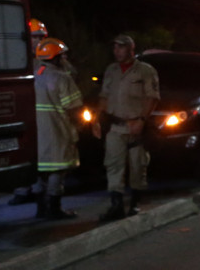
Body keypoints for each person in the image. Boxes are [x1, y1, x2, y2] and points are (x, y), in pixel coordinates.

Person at [92, 34, 159, 221]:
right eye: (115, 48)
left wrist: (142, 120)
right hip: (115, 125)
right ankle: (116, 206)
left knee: (137, 166)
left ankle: (135, 204)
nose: (117, 51)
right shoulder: (111, 70)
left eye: (120, 47)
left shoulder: (145, 71)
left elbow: (152, 97)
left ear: (131, 49)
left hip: (136, 125)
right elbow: (104, 96)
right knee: (113, 165)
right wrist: (96, 120)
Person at [33, 37, 84, 220]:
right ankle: (54, 209)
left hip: (36, 133)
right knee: (58, 169)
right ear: (56, 57)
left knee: (40, 172)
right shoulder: (62, 77)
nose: (65, 59)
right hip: (57, 130)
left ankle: (40, 209)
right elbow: (74, 107)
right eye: (63, 56)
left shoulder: (34, 74)